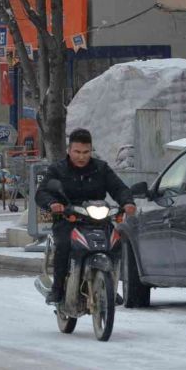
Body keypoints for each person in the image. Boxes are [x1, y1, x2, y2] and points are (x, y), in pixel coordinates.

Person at [35, 128, 137, 305]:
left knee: (115, 244)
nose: (81, 157)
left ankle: (110, 286)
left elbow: (118, 188)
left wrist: (127, 202)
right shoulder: (58, 170)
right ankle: (58, 289)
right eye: (77, 152)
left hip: (98, 219)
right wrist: (53, 204)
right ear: (69, 150)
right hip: (68, 219)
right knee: (64, 245)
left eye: (85, 152)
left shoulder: (101, 168)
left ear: (91, 150)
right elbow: (42, 192)